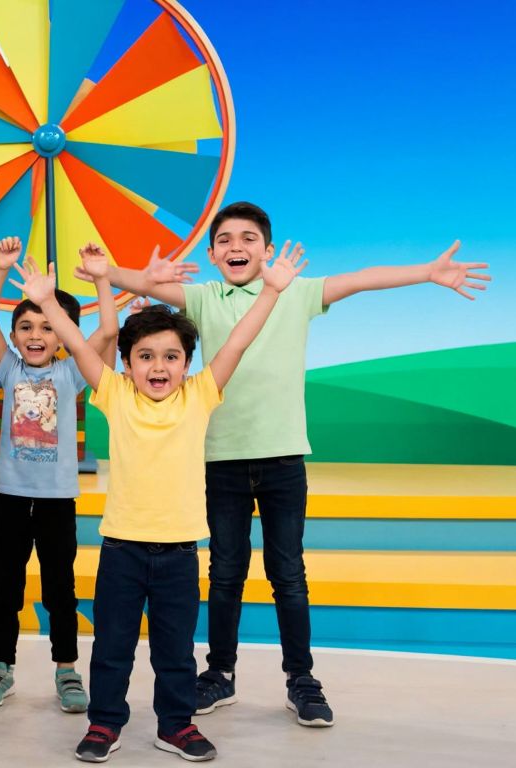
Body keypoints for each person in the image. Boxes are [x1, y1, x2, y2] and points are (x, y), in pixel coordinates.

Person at [106, 202, 489, 727]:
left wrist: (426, 272)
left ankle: (301, 679)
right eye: (224, 240)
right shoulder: (201, 297)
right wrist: (109, 273)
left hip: (284, 456)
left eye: (247, 238)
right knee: (225, 573)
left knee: (288, 573)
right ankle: (219, 674)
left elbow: (361, 280)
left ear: (267, 249)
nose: (235, 247)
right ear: (212, 253)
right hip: (220, 460)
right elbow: (135, 280)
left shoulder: (297, 291)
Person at [9, 242, 304, 763]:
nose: (158, 366)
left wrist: (273, 292)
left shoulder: (200, 395)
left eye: (171, 357)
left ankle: (176, 725)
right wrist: (48, 304)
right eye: (145, 357)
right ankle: (105, 723)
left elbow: (237, 342)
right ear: (127, 364)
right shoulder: (115, 395)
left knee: (175, 651)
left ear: (188, 364)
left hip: (179, 556)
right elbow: (79, 345)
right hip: (121, 552)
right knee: (113, 649)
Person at [0, 238, 119, 712]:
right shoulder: (8, 367)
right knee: (6, 586)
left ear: (63, 334)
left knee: (60, 588)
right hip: (10, 498)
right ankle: (1, 665)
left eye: (47, 326)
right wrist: (0, 269)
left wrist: (100, 280)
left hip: (57, 501)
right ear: (15, 336)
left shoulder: (73, 372)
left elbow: (110, 333)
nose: (36, 334)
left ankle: (66, 668)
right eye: (26, 326)